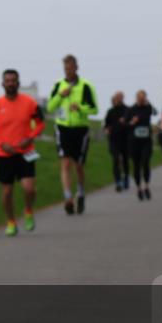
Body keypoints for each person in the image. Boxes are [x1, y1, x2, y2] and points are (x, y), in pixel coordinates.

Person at [0, 69, 46, 236]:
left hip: (26, 152)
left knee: (29, 188)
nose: (10, 83)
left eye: (13, 80)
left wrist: (30, 138)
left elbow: (40, 124)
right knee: (7, 191)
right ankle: (11, 222)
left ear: (18, 83)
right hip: (4, 155)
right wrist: (1, 144)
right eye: (7, 81)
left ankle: (29, 211)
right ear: (3, 84)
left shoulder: (30, 103)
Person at [47, 55, 98, 215]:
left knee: (78, 165)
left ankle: (81, 193)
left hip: (80, 129)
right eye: (65, 69)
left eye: (70, 68)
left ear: (76, 68)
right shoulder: (58, 85)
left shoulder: (86, 86)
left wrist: (80, 108)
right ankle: (68, 198)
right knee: (65, 163)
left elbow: (94, 109)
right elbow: (49, 107)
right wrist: (60, 95)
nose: (68, 71)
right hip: (63, 128)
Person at [126, 90, 156, 201]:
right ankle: (139, 188)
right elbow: (125, 123)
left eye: (143, 98)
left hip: (146, 141)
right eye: (139, 98)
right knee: (136, 165)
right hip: (134, 142)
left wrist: (149, 103)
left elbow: (155, 112)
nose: (141, 99)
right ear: (136, 98)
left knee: (145, 162)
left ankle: (146, 186)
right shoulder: (131, 109)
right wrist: (131, 122)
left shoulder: (148, 108)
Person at [104, 91, 130, 192]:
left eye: (119, 97)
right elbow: (106, 124)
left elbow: (132, 123)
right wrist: (106, 129)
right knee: (115, 159)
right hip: (113, 139)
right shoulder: (110, 111)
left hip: (125, 139)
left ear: (122, 98)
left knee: (125, 160)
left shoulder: (128, 110)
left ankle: (126, 177)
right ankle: (118, 181)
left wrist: (127, 122)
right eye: (115, 98)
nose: (117, 99)